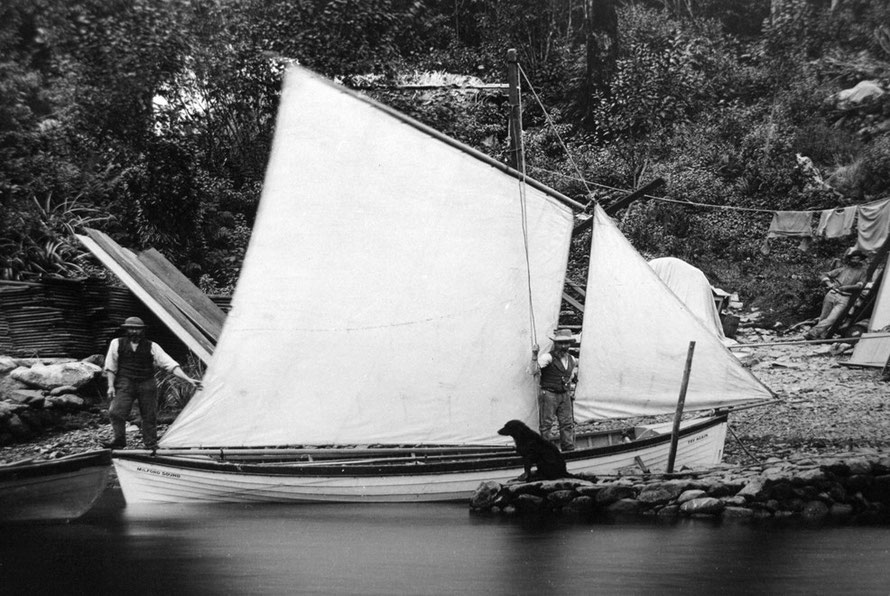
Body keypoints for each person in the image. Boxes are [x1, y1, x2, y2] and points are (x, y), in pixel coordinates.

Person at [101, 316, 202, 449]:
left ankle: (150, 443)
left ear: (142, 331)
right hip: (125, 382)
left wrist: (188, 379)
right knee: (116, 412)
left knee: (149, 415)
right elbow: (111, 367)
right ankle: (119, 440)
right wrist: (110, 386)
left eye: (137, 329)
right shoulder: (116, 343)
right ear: (126, 330)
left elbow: (169, 364)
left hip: (146, 383)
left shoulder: (152, 346)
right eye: (131, 329)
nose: (134, 332)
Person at [805, 248, 869, 340]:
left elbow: (860, 285)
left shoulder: (862, 272)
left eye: (857, 258)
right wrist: (829, 284)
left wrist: (847, 287)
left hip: (845, 297)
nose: (855, 260)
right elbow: (823, 275)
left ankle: (812, 333)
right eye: (853, 258)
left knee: (832, 318)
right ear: (850, 259)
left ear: (860, 260)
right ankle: (820, 336)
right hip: (832, 294)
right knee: (824, 316)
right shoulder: (842, 269)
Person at [530, 328, 577, 452]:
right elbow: (532, 371)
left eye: (566, 343)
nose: (563, 346)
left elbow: (570, 376)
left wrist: (570, 389)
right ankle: (545, 451)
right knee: (546, 425)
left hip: (564, 394)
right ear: (555, 344)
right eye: (560, 343)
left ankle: (568, 449)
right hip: (549, 394)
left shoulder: (572, 359)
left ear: (570, 344)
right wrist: (534, 356)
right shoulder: (547, 357)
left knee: (567, 423)